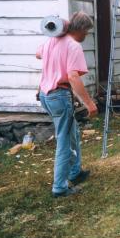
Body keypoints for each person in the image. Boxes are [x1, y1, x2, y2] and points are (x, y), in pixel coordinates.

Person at [36, 11, 98, 198]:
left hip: (45, 95)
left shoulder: (51, 41)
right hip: (59, 95)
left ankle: (75, 172)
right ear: (79, 29)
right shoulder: (73, 46)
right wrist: (89, 103)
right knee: (64, 142)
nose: (86, 36)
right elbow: (72, 76)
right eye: (86, 31)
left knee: (72, 134)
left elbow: (38, 54)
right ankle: (60, 187)